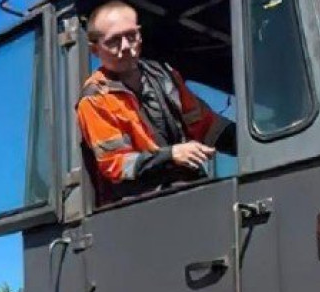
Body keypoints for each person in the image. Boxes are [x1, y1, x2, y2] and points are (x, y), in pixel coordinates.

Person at [77, 1, 238, 204]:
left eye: (131, 36)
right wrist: (171, 155)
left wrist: (248, 142)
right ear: (94, 49)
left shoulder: (164, 75)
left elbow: (205, 125)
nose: (126, 47)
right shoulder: (95, 99)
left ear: (140, 34)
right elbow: (116, 164)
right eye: (114, 41)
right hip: (140, 205)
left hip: (187, 188)